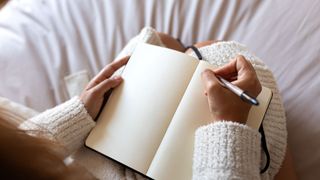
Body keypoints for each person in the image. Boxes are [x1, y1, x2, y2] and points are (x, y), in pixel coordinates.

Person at [0, 27, 296, 179]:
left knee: (159, 43)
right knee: (217, 54)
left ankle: (184, 58)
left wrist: (78, 111)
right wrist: (228, 126)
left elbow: (18, 149)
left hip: (93, 144)